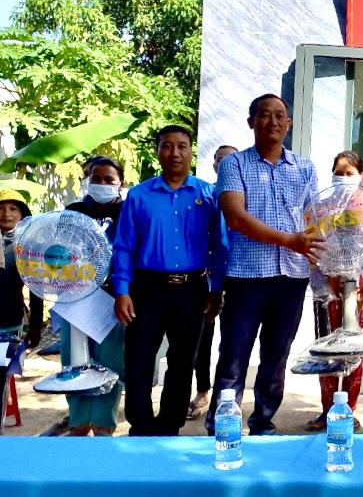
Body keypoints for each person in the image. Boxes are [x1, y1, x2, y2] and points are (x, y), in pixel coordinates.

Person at [206, 94, 323, 436]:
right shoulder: (234, 164)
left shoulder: (304, 167)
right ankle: (222, 426)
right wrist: (289, 240)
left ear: (288, 124)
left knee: (275, 358)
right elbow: (235, 217)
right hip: (246, 278)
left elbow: (315, 219)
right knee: (234, 355)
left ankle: (263, 423)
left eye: (280, 116)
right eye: (265, 115)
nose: (273, 121)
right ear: (251, 122)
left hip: (292, 278)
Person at [113, 126, 228, 436]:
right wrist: (122, 290)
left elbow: (220, 245)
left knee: (182, 360)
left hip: (192, 289)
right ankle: (140, 425)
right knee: (139, 357)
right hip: (147, 288)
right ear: (158, 151)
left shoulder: (208, 195)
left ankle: (170, 425)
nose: (175, 153)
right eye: (167, 146)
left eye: (182, 146)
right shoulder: (139, 196)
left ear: (191, 151)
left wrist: (216, 290)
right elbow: (123, 247)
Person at [304, 151, 363, 432]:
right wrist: (328, 276)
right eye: (338, 173)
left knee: (353, 351)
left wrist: (358, 284)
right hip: (325, 289)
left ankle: (349, 410)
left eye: (349, 174)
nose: (343, 178)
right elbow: (311, 246)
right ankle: (327, 409)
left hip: (358, 293)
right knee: (326, 350)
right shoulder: (319, 207)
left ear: (361, 176)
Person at [61, 156, 126, 436]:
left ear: (120, 183)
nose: (101, 183)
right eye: (95, 178)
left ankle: (103, 423)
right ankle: (78, 420)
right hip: (75, 296)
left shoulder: (128, 212)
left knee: (110, 363)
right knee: (73, 360)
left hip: (113, 298)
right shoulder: (72, 211)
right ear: (87, 180)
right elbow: (58, 247)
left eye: (109, 179)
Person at [188, 144, 238, 422]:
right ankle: (202, 390)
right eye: (220, 159)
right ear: (214, 165)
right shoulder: (204, 195)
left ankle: (227, 398)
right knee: (201, 337)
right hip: (207, 276)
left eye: (230, 159)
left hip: (240, 275)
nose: (225, 163)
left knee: (232, 341)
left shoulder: (246, 194)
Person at [0, 188, 30, 425]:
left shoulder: (27, 246)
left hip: (9, 323)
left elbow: (37, 286)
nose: (6, 214)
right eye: (0, 208)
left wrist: (36, 324)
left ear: (22, 215)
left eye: (13, 209)